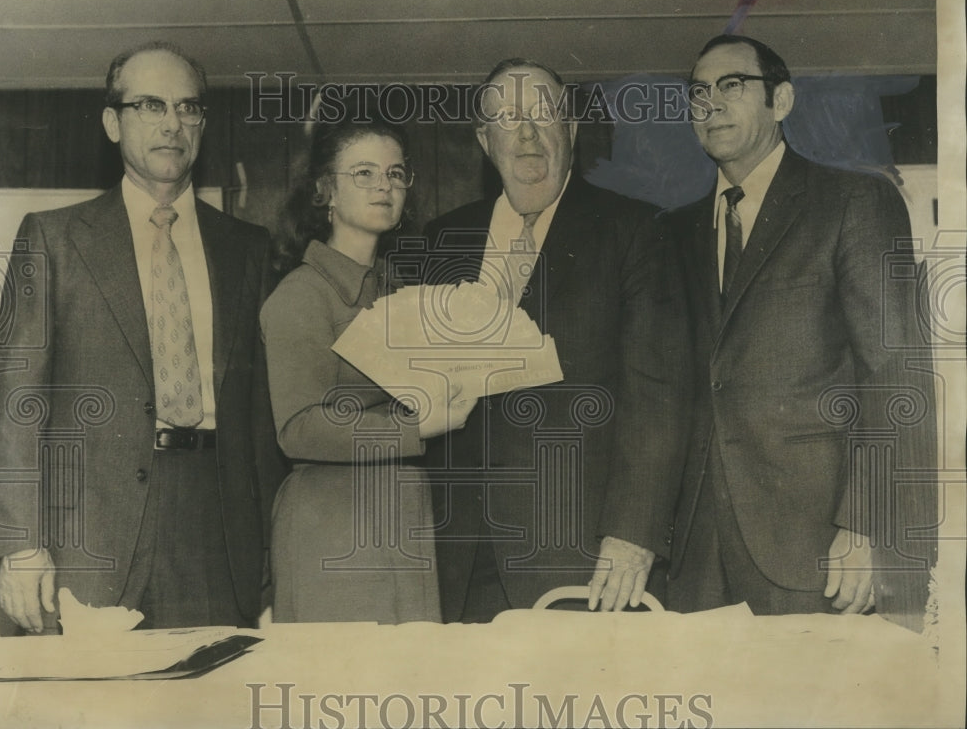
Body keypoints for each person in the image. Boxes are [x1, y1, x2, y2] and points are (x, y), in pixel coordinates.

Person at [0, 41, 285, 633]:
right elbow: (15, 402)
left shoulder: (246, 249)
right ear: (111, 122)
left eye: (188, 107)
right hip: (85, 535)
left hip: (216, 535)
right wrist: (19, 542)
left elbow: (260, 420)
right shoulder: (53, 239)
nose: (172, 123)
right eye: (151, 105)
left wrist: (273, 564)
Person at [666, 34, 936, 616]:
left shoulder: (852, 201)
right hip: (696, 553)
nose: (711, 104)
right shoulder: (674, 231)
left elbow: (896, 375)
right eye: (698, 93)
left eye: (732, 85)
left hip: (817, 545)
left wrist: (864, 524)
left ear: (781, 100)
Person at [422, 59, 691, 622]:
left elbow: (659, 394)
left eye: (543, 115)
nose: (526, 133)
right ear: (484, 141)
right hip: (462, 558)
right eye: (507, 118)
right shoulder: (442, 239)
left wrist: (633, 533)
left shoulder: (634, 230)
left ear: (570, 130)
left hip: (588, 555)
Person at [260, 114, 477, 623]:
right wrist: (416, 426)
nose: (384, 186)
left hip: (402, 519)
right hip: (334, 525)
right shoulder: (303, 294)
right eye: (364, 173)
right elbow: (298, 429)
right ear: (325, 192)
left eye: (395, 174)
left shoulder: (398, 291)